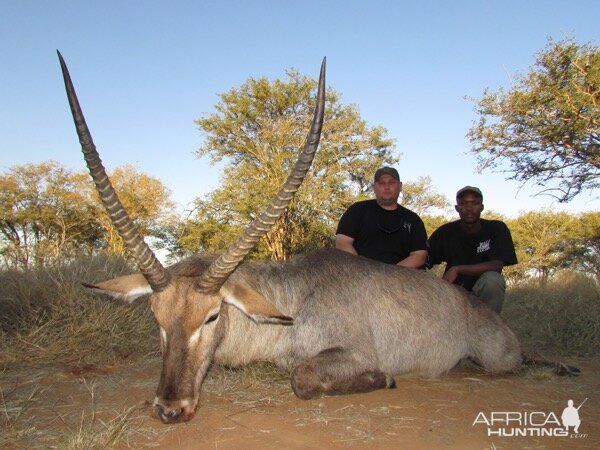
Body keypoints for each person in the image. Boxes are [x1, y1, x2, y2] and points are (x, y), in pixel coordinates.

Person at [427, 186, 517, 313]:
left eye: (474, 203)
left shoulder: (496, 228)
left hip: (483, 293)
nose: (469, 208)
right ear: (457, 208)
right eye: (463, 204)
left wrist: (457, 269)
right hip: (453, 292)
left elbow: (497, 265)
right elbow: (424, 261)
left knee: (493, 280)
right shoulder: (445, 232)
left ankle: (489, 325)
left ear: (482, 207)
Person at [335, 167, 427, 268]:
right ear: (374, 187)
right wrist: (363, 271)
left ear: (400, 186)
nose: (387, 187)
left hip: (400, 278)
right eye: (381, 183)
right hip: (360, 275)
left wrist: (391, 274)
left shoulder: (413, 220)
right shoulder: (357, 210)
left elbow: (419, 256)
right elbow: (342, 243)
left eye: (391, 182)